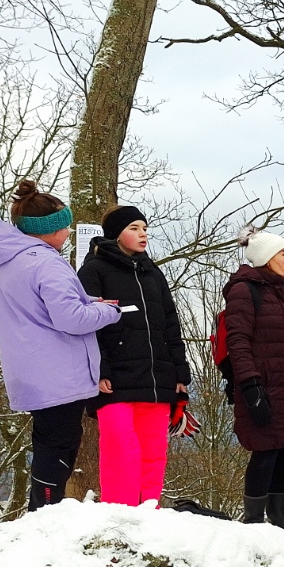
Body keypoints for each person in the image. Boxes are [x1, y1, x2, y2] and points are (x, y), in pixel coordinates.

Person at [0, 181, 123, 510]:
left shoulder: (9, 260)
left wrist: (87, 301)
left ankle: (41, 511)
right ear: (48, 230)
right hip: (58, 372)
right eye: (64, 227)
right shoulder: (47, 262)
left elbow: (39, 306)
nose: (68, 232)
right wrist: (108, 312)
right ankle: (46, 513)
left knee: (48, 443)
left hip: (31, 369)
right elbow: (71, 318)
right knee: (59, 447)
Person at [77, 205, 190, 506]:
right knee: (121, 449)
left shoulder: (153, 273)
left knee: (153, 452)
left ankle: (149, 511)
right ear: (116, 233)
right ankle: (120, 514)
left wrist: (180, 373)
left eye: (145, 229)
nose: (143, 234)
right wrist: (99, 369)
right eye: (134, 228)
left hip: (155, 379)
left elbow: (171, 324)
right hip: (114, 380)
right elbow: (86, 326)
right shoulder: (93, 270)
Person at [225, 229, 284, 530]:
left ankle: (279, 519)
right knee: (265, 451)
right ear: (266, 258)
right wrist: (250, 386)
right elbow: (238, 341)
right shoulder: (244, 290)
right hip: (263, 387)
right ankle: (253, 520)